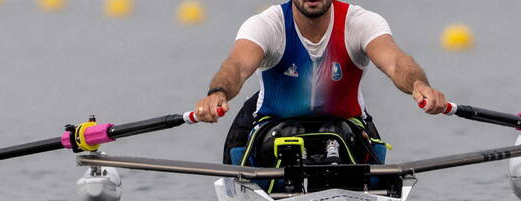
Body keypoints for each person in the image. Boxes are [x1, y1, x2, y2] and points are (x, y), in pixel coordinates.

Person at [192, 0, 448, 166]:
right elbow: (237, 65)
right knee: (278, 140)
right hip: (273, 127)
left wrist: (418, 85)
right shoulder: (267, 24)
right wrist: (218, 92)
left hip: (343, 128)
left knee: (343, 135)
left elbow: (395, 61)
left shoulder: (359, 22)